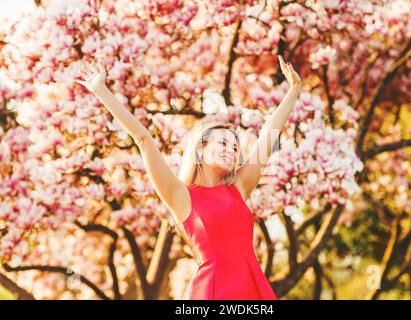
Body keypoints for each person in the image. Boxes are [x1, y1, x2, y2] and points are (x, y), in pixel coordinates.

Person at [76, 55, 302, 299]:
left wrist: (294, 90)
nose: (231, 151)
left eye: (235, 147)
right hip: (211, 292)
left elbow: (268, 136)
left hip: (251, 287)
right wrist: (101, 90)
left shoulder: (239, 187)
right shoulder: (181, 196)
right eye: (223, 143)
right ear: (201, 149)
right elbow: (143, 138)